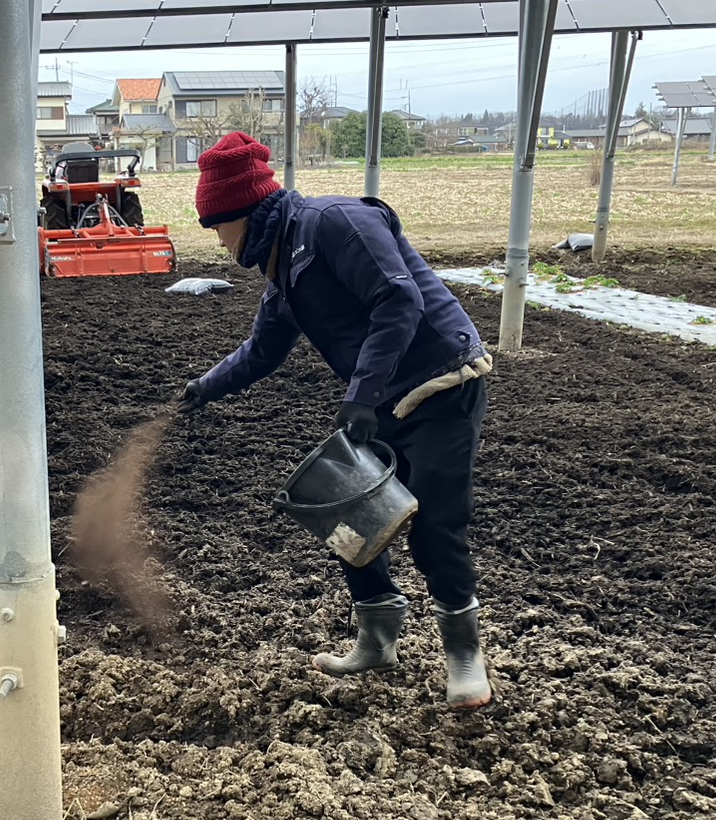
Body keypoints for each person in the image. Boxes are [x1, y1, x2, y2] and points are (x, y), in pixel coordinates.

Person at [177, 131, 493, 710]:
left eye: (217, 226)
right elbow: (262, 350)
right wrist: (206, 386)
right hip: (379, 396)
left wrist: (361, 395)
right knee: (341, 508)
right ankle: (377, 637)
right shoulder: (283, 268)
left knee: (434, 524)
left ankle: (463, 655)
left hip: (442, 380)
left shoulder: (335, 223)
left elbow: (399, 300)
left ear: (242, 212)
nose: (218, 240)